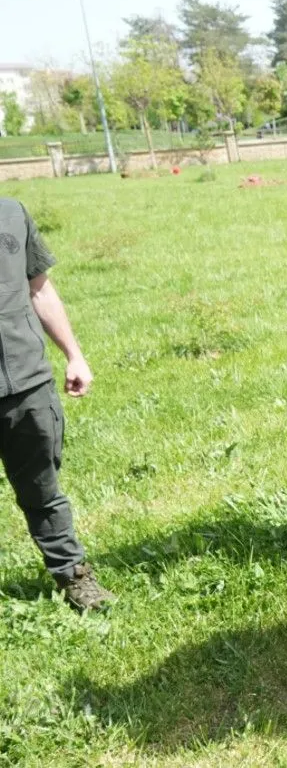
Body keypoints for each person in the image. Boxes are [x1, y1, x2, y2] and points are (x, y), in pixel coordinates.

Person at [0, 198, 114, 611]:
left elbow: (40, 288)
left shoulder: (11, 212)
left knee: (43, 491)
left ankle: (73, 577)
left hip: (27, 382)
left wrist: (74, 355)